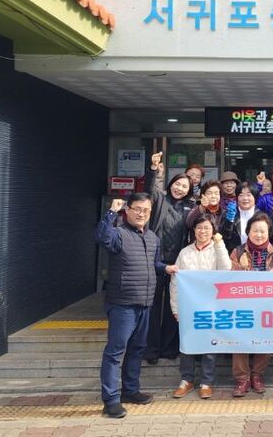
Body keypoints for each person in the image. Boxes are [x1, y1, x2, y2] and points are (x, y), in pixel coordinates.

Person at [94, 193, 174, 418]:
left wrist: (166, 268)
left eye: (146, 210)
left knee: (137, 349)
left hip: (146, 303)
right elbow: (101, 237)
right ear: (127, 210)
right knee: (115, 352)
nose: (141, 214)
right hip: (122, 304)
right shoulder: (118, 234)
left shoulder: (152, 237)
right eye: (137, 209)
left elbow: (153, 263)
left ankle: (130, 390)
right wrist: (111, 212)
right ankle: (111, 400)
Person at [170, 215, 231, 399]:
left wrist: (219, 244)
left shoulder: (217, 249)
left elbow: (226, 269)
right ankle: (186, 380)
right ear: (194, 230)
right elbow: (175, 282)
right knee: (187, 344)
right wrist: (176, 309)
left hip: (211, 306)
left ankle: (206, 382)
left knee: (209, 344)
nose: (202, 231)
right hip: (189, 306)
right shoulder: (185, 252)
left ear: (213, 231)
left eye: (207, 228)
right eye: (199, 228)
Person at [144, 152, 195, 364]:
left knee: (174, 306)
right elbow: (152, 190)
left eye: (184, 187)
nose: (180, 188)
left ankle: (169, 347)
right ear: (171, 184)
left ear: (189, 190)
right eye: (177, 184)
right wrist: (154, 170)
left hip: (178, 263)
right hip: (155, 261)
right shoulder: (160, 200)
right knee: (153, 306)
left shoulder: (190, 206)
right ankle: (151, 350)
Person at [229, 213, 273, 397]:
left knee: (265, 340)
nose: (259, 235)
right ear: (248, 232)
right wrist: (243, 268)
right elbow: (229, 279)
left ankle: (257, 375)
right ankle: (242, 379)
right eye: (255, 231)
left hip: (268, 306)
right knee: (240, 340)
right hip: (242, 305)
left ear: (269, 232)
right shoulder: (238, 252)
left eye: (263, 231)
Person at [219, 181, 260, 253]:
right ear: (237, 198)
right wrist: (229, 221)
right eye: (241, 195)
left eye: (248, 195)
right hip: (234, 255)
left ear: (255, 197)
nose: (245, 198)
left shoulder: (261, 216)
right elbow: (224, 238)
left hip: (257, 255)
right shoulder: (229, 214)